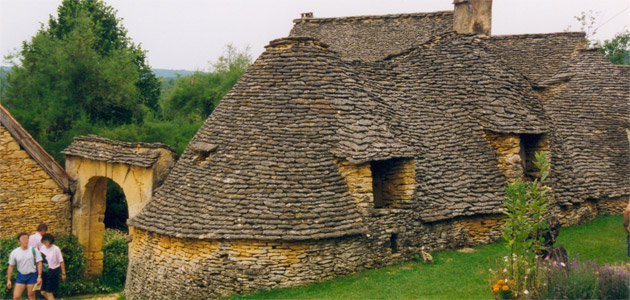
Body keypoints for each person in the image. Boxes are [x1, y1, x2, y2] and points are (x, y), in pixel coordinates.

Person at [6, 232, 43, 300]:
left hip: (32, 275)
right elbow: (11, 266)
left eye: (26, 239)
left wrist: (39, 276)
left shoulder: (34, 250)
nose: (25, 241)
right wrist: (9, 280)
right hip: (21, 275)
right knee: (16, 296)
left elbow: (39, 263)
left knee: (31, 295)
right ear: (19, 241)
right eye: (23, 239)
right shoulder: (14, 252)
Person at [39, 234, 66, 300]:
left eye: (46, 241)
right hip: (44, 272)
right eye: (44, 241)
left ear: (50, 241)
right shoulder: (42, 248)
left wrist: (63, 273)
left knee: (49, 292)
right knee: (43, 292)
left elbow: (61, 261)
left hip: (53, 271)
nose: (45, 243)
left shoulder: (56, 249)